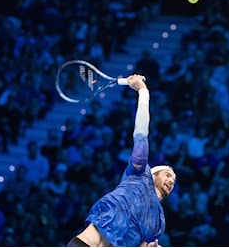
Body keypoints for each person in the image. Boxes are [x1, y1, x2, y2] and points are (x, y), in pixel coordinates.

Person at [66, 74, 176, 247]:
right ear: (154, 174)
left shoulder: (159, 223)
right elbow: (141, 133)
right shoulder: (140, 173)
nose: (171, 180)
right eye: (168, 174)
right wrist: (143, 92)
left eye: (173, 180)